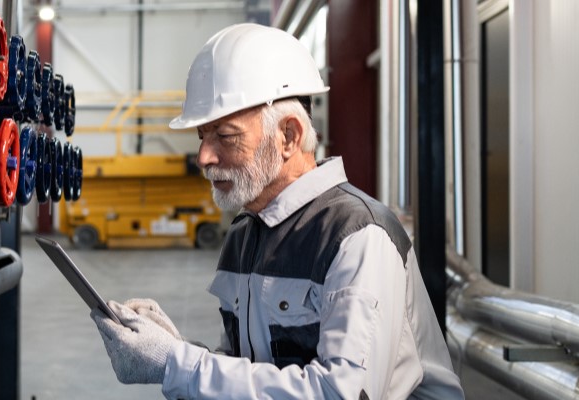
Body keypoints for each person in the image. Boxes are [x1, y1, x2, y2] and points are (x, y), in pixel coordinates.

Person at [90, 23, 465, 399]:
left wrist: (179, 363)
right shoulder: (244, 235)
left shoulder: (357, 236)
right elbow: (254, 372)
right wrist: (174, 348)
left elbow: (341, 393)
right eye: (202, 136)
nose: (204, 157)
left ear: (288, 136)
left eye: (225, 135)